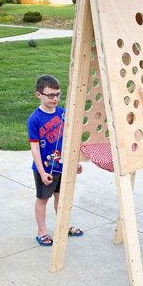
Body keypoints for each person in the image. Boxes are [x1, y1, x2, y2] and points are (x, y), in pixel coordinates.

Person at [27, 75, 84, 246]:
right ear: (39, 95)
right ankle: (42, 232)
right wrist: (42, 172)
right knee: (43, 199)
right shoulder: (35, 119)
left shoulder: (63, 113)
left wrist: (75, 161)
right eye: (50, 95)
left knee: (61, 197)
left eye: (58, 94)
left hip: (62, 166)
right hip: (44, 169)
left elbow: (69, 139)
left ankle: (63, 225)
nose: (55, 99)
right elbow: (35, 148)